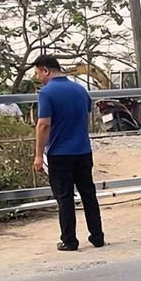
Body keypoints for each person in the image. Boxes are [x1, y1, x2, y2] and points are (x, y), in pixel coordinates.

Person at [31, 55, 104, 251]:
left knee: (64, 198)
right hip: (83, 151)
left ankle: (70, 240)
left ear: (46, 70)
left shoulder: (46, 93)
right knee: (88, 194)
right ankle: (97, 236)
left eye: (38, 73)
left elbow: (43, 124)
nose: (38, 77)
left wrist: (38, 155)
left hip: (60, 153)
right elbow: (88, 119)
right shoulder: (81, 90)